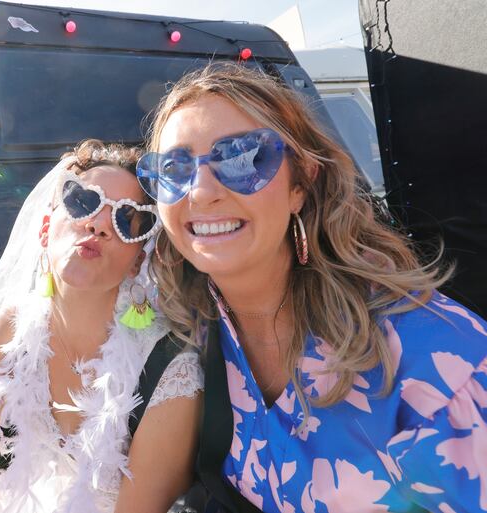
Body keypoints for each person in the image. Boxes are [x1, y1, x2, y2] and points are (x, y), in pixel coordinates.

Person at [141, 64, 487, 513]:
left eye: (242, 158)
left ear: (300, 184)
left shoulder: (440, 367)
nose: (201, 192)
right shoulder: (193, 331)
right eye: (173, 168)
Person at [0, 141, 204, 513]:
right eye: (83, 202)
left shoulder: (171, 370)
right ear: (46, 229)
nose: (99, 223)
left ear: (137, 261)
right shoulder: (13, 329)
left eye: (125, 219)